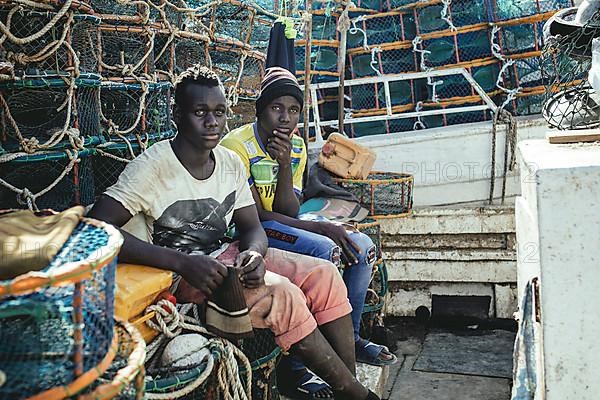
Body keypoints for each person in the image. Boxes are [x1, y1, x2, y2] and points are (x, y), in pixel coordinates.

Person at [87, 65, 380, 400]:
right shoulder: (152, 167)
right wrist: (182, 263)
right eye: (200, 112)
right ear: (177, 116)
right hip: (172, 277)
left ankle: (348, 383)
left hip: (222, 257)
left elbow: (252, 227)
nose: (212, 122)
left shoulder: (228, 162)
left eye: (219, 112)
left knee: (325, 274)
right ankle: (355, 394)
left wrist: (254, 252)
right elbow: (98, 227)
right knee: (282, 295)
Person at [221, 67, 397, 400]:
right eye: (276, 108)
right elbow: (256, 215)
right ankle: (297, 371)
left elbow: (290, 209)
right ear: (261, 110)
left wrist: (285, 163)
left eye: (293, 110)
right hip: (251, 230)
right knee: (326, 250)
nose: (284, 118)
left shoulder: (298, 146)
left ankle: (352, 339)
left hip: (284, 221)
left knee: (360, 247)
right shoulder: (237, 146)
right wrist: (318, 226)